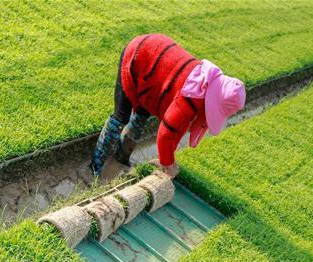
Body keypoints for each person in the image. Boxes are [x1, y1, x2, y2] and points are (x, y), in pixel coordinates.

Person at [90, 33, 246, 178]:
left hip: (153, 76)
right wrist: (168, 165)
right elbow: (166, 134)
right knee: (121, 117)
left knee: (141, 116)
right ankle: (95, 168)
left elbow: (178, 129)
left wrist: (168, 160)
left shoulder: (203, 87)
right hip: (138, 56)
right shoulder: (190, 98)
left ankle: (121, 157)